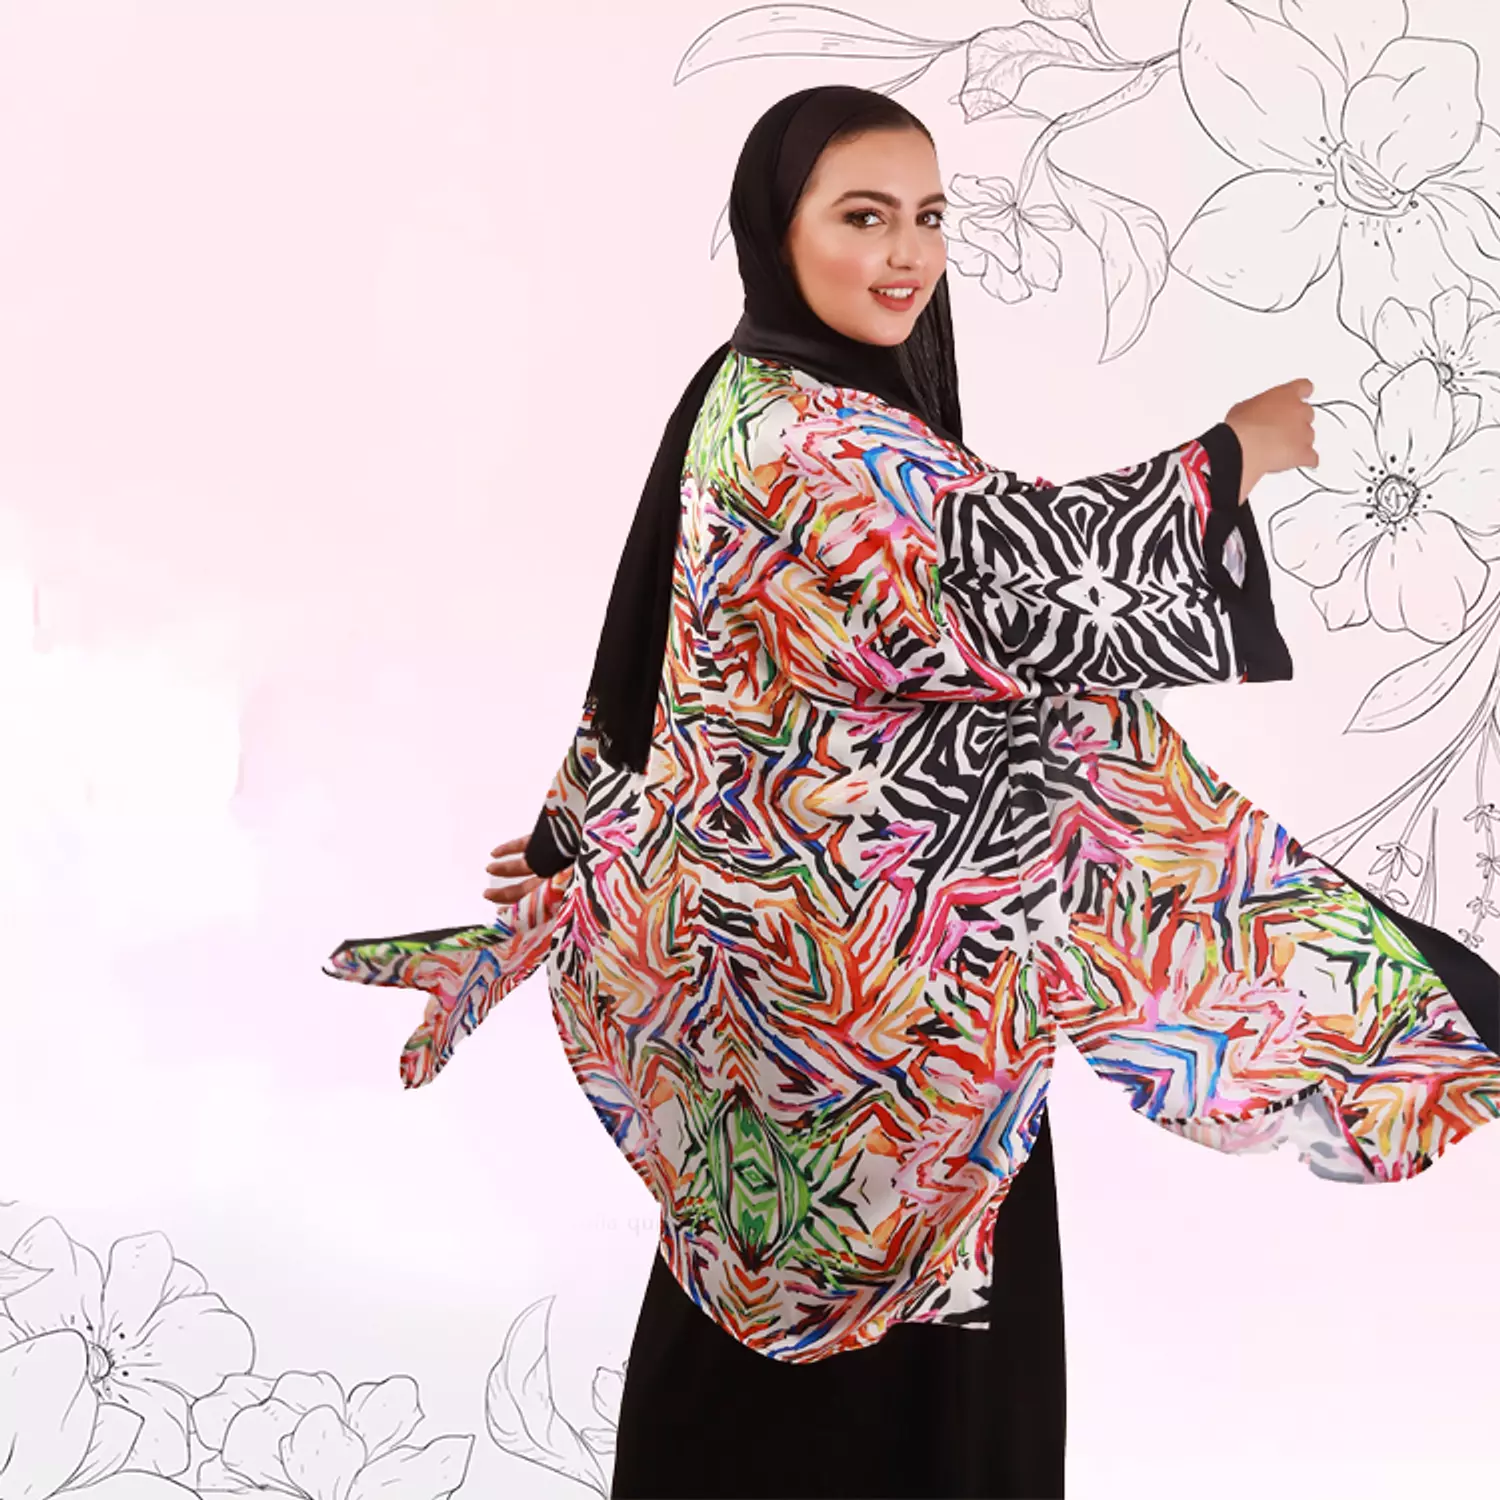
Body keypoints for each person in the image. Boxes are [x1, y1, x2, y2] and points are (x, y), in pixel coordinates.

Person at [325, 86, 1500, 1498]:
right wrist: (1234, 452)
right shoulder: (806, 433)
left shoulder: (748, 394)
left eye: (930, 217)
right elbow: (1006, 573)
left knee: (764, 1360)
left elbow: (675, 667)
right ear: (777, 229)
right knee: (904, 1402)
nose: (906, 255)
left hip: (801, 1014)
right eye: (864, 216)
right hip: (892, 1047)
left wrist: (582, 836)